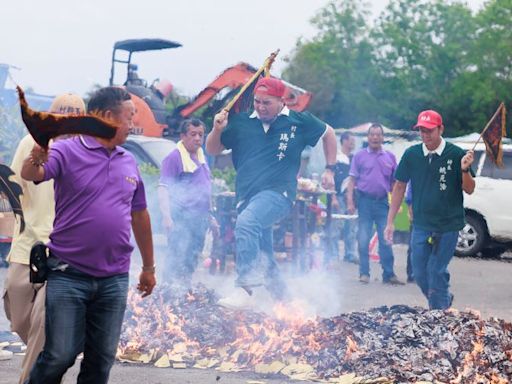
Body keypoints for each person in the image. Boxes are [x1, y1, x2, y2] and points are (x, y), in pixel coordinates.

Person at [20, 86, 156, 384]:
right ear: (107, 117)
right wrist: (35, 156)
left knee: (101, 360)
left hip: (115, 278)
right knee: (59, 355)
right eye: (129, 117)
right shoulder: (67, 151)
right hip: (69, 274)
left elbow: (139, 215)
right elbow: (32, 174)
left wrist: (148, 267)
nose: (132, 125)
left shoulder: (128, 160)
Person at [206, 77, 337, 300]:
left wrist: (330, 169)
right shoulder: (241, 122)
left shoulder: (299, 122)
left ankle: (244, 287)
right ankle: (287, 305)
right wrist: (216, 130)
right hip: (247, 195)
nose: (260, 107)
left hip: (279, 193)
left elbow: (330, 134)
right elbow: (213, 149)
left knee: (246, 224)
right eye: (257, 101)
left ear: (281, 101)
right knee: (265, 257)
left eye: (267, 102)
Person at [3, 93, 86, 383]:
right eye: (62, 113)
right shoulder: (30, 143)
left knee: (43, 320)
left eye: (73, 115)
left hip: (63, 249)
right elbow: (14, 185)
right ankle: (51, 356)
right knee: (17, 314)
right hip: (27, 243)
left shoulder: (86, 152)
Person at [384, 110, 475, 310]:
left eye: (429, 131)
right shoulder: (412, 154)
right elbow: (399, 186)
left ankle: (439, 313)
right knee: (419, 272)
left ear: (440, 129)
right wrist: (390, 222)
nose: (425, 135)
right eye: (421, 131)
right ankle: (443, 298)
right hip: (421, 224)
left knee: (435, 269)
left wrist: (465, 170)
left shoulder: (457, 154)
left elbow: (469, 188)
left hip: (448, 224)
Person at [157, 118, 217, 288]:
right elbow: (163, 189)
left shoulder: (201, 157)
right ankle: (167, 290)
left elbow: (206, 187)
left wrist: (210, 215)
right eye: (193, 134)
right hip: (181, 218)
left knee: (193, 255)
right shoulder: (174, 158)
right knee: (176, 255)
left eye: (200, 135)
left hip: (200, 218)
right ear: (183, 136)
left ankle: (184, 288)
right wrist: (167, 217)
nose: (198, 138)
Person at [346, 123, 403, 285]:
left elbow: (395, 185)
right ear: (368, 137)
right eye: (372, 134)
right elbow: (352, 181)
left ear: (383, 138)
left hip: (382, 203)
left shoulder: (390, 158)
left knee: (386, 238)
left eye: (378, 135)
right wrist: (350, 201)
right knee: (363, 237)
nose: (375, 137)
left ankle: (389, 274)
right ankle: (364, 273)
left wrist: (395, 206)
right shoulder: (359, 156)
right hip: (364, 201)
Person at [330, 131, 358, 264]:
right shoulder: (336, 158)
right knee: (335, 227)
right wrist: (334, 198)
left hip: (351, 198)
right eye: (351, 140)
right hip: (338, 196)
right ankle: (333, 254)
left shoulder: (354, 159)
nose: (353, 143)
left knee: (351, 227)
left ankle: (350, 253)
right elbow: (331, 179)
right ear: (344, 141)